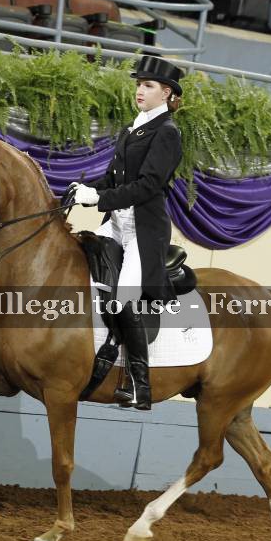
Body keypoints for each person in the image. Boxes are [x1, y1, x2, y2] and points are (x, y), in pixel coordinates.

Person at [68, 55, 184, 411]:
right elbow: (113, 178)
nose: (140, 90)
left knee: (123, 301)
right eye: (138, 84)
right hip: (115, 225)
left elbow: (148, 185)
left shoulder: (167, 133)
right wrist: (84, 191)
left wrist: (99, 198)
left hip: (142, 233)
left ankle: (139, 385)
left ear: (166, 93)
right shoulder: (132, 128)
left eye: (148, 85)